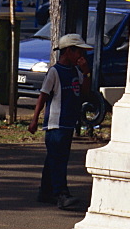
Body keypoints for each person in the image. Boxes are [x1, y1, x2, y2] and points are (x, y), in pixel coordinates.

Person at [28, 33, 92, 209]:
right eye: (78, 51)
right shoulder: (55, 72)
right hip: (56, 123)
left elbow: (84, 93)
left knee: (54, 159)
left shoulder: (76, 71)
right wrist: (35, 120)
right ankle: (61, 194)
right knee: (59, 160)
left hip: (68, 122)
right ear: (68, 51)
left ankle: (45, 191)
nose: (81, 56)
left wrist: (86, 74)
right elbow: (43, 96)